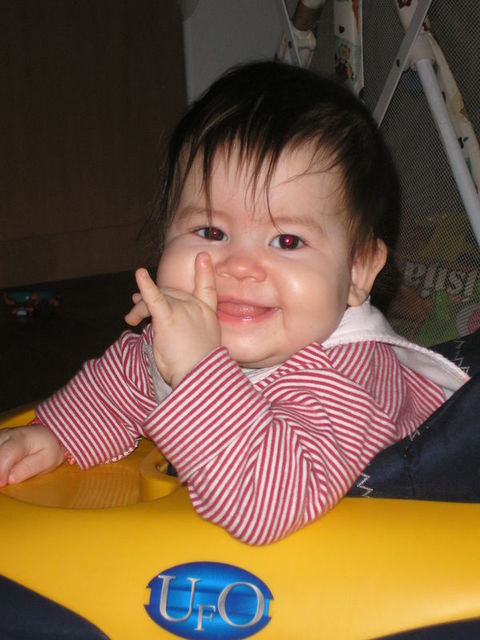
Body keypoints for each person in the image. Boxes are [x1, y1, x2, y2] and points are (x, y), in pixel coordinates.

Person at [0, 61, 468, 545]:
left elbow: (266, 505)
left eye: (287, 241)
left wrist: (196, 369)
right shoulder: (188, 337)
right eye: (210, 232)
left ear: (357, 271)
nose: (240, 267)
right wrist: (55, 436)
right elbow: (123, 381)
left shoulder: (349, 380)